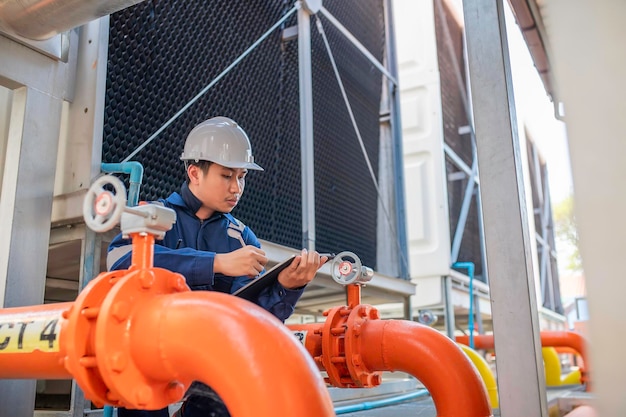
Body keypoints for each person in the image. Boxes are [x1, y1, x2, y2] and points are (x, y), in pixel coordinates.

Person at [107, 116, 328, 417]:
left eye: (242, 177)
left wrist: (286, 288)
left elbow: (251, 322)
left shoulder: (241, 237)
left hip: (208, 365)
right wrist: (217, 263)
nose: (237, 188)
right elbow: (119, 259)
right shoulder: (154, 216)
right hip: (149, 357)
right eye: (227, 176)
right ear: (195, 172)